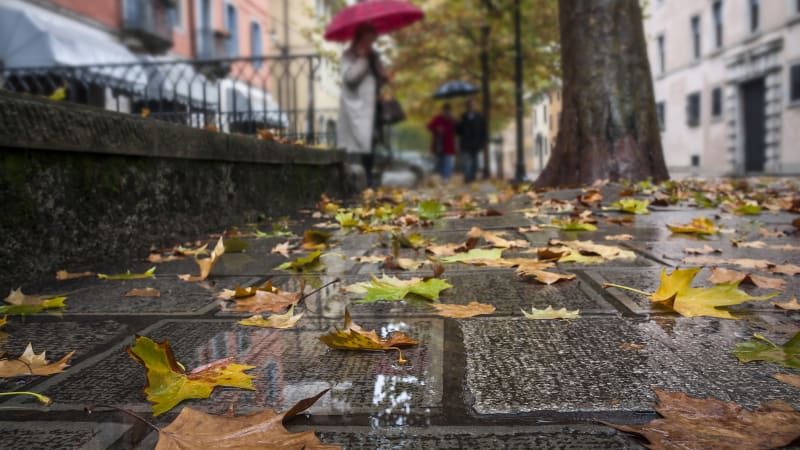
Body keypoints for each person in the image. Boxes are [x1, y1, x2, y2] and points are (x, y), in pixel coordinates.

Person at [337, 23, 390, 188]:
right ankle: (354, 182)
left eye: (373, 39)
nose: (371, 42)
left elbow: (377, 81)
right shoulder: (349, 55)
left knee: (370, 145)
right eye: (369, 38)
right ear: (360, 37)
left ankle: (368, 180)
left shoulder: (374, 56)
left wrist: (382, 75)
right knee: (355, 147)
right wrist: (362, 59)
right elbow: (349, 79)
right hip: (355, 109)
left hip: (373, 108)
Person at [456, 98, 487, 183]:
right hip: (466, 143)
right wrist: (458, 124)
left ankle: (472, 177)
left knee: (475, 162)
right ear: (467, 106)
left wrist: (483, 142)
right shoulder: (463, 117)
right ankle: (467, 178)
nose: (471, 106)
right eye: (469, 105)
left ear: (475, 106)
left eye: (473, 105)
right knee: (467, 161)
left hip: (476, 143)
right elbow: (458, 131)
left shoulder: (480, 117)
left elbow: (483, 131)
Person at [427, 103, 456, 181]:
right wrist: (437, 129)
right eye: (445, 111)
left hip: (448, 145)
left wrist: (444, 130)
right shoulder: (437, 118)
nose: (446, 113)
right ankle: (443, 176)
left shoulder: (452, 120)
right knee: (440, 162)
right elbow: (429, 126)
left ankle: (446, 177)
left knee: (448, 161)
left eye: (447, 111)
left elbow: (454, 129)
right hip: (439, 145)